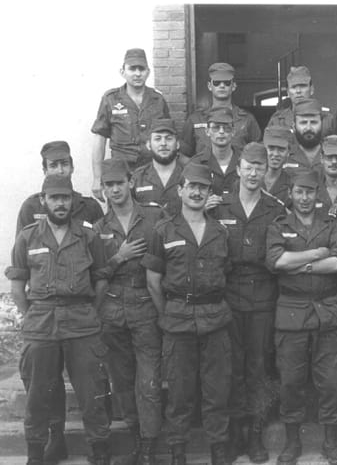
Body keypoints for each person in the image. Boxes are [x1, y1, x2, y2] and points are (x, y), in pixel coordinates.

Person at [5, 175, 112, 465]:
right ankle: (37, 452)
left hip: (81, 321)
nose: (60, 203)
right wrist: (33, 315)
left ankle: (99, 450)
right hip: (42, 322)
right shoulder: (28, 237)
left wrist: (90, 311)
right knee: (38, 392)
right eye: (54, 198)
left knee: (92, 391)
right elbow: (18, 286)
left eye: (65, 198)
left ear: (73, 201)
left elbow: (101, 280)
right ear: (44, 200)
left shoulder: (88, 237)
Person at [142, 162, 233, 465]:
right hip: (178, 319)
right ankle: (178, 451)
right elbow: (153, 281)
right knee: (179, 393)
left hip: (214, 317)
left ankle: (219, 449)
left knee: (217, 391)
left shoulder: (220, 231)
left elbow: (226, 273)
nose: (196, 192)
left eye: (202, 188)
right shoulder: (163, 230)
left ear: (209, 193)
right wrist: (167, 314)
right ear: (180, 190)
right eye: (191, 186)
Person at [266, 169, 337, 465]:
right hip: (292, 312)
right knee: (291, 381)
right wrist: (316, 254)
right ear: (290, 194)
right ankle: (292, 442)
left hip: (328, 311)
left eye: (310, 192)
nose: (304, 198)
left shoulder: (332, 224)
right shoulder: (279, 225)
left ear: (318, 195)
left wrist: (301, 266)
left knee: (331, 381)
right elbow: (276, 261)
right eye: (299, 192)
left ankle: (331, 442)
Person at [209, 143, 287, 463]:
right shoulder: (220, 206)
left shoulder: (275, 209)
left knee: (258, 367)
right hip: (229, 295)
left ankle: (254, 434)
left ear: (266, 170)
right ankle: (233, 434)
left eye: (260, 167)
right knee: (231, 367)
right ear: (238, 168)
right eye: (248, 166)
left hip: (262, 297)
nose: (254, 173)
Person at [92, 158, 164, 464]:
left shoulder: (154, 217)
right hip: (112, 310)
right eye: (108, 185)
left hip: (146, 305)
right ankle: (136, 436)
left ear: (130, 182)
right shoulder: (99, 229)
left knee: (148, 381)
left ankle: (149, 446)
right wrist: (118, 258)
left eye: (119, 183)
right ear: (103, 189)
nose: (115, 190)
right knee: (121, 381)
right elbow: (96, 274)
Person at [91, 48, 171, 200]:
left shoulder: (158, 100)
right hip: (120, 172)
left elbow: (167, 136)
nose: (137, 73)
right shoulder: (110, 99)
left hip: (150, 170)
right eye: (132, 69)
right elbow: (100, 139)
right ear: (123, 72)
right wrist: (97, 177)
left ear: (148, 72)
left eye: (141, 69)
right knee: (120, 210)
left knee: (151, 210)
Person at [16, 140, 104, 234]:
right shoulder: (31, 207)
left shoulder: (90, 207)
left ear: (72, 168)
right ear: (45, 171)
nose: (60, 171)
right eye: (53, 166)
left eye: (64, 164)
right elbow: (22, 241)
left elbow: (100, 241)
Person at [181, 62, 261, 157]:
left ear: (233, 86)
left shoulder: (247, 119)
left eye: (227, 82)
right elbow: (183, 154)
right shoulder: (195, 119)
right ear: (209, 86)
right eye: (217, 82)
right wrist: (194, 166)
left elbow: (258, 153)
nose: (222, 86)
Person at [130, 119, 185, 217]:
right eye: (157, 139)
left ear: (177, 144)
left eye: (168, 138)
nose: (163, 143)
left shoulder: (189, 175)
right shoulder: (137, 177)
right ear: (148, 145)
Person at [190, 107, 242, 209]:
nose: (221, 132)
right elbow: (187, 199)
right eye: (216, 127)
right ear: (207, 131)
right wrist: (201, 207)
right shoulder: (196, 163)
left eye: (226, 128)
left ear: (233, 131)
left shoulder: (244, 161)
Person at [266, 66, 334, 140]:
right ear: (288, 92)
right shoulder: (277, 120)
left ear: (311, 89)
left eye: (303, 86)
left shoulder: (328, 120)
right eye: (293, 87)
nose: (298, 91)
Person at [282, 98, 327, 175]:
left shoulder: (332, 156)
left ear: (322, 124)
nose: (308, 128)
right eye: (303, 123)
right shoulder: (284, 157)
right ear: (294, 126)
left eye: (313, 122)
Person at [262, 126, 293, 207]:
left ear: (288, 152)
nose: (275, 154)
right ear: (264, 149)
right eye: (271, 148)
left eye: (281, 149)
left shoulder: (291, 185)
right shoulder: (251, 178)